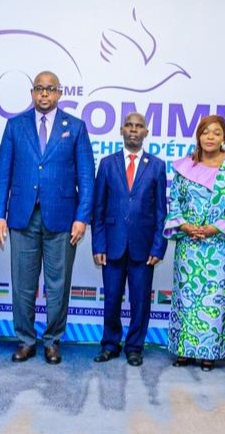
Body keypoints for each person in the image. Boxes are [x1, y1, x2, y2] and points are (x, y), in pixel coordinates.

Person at [0, 70, 94, 365]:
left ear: (59, 93)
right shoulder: (15, 126)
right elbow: (3, 175)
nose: (44, 93)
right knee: (22, 284)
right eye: (39, 88)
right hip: (22, 217)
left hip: (62, 218)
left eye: (50, 89)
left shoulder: (75, 127)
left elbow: (86, 177)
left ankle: (52, 341)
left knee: (57, 284)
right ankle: (25, 340)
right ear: (32, 93)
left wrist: (82, 217)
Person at [163, 115, 225, 371]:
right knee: (186, 298)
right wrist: (185, 225)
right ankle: (183, 350)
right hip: (189, 243)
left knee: (215, 299)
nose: (210, 137)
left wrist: (213, 228)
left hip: (221, 245)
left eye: (216, 133)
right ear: (198, 136)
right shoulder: (185, 165)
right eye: (205, 132)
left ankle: (210, 352)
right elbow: (175, 201)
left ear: (224, 137)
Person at [91, 112, 168, 367]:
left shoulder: (157, 166)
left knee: (140, 300)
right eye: (129, 125)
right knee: (112, 298)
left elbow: (161, 211)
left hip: (143, 247)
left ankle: (135, 347)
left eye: (139, 126)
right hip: (112, 244)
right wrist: (98, 244)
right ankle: (110, 344)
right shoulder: (107, 164)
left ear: (146, 132)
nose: (134, 130)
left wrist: (158, 246)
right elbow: (98, 208)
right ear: (121, 130)